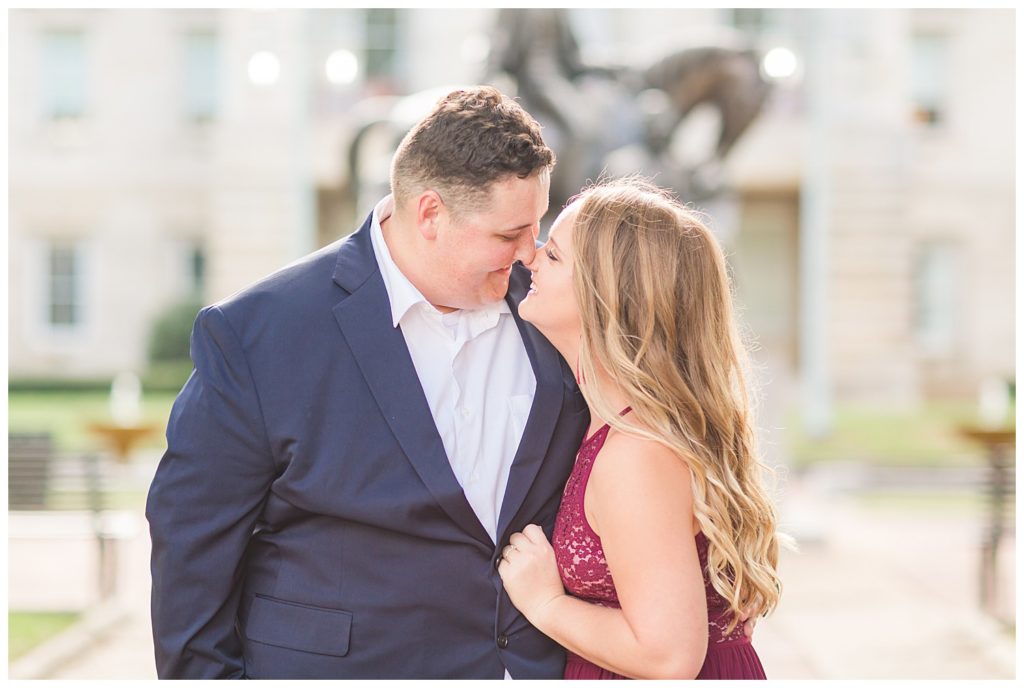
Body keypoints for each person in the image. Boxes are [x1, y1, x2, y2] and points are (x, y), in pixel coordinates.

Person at [145, 86, 592, 679]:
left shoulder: (555, 311)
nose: (529, 253)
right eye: (508, 235)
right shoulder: (260, 333)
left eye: (537, 228)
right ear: (430, 214)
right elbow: (191, 542)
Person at [497, 177, 784, 679]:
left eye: (556, 256)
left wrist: (544, 604)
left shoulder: (637, 454)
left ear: (607, 297)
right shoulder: (610, 426)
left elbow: (667, 656)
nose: (531, 259)